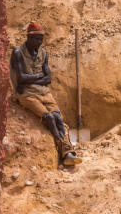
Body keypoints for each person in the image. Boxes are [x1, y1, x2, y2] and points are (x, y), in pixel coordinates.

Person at [9, 21, 79, 168]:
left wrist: (31, 78)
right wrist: (40, 76)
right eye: (37, 39)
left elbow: (49, 78)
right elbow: (21, 78)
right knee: (49, 117)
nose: (40, 42)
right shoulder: (17, 52)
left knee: (58, 117)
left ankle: (68, 153)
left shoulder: (43, 53)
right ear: (29, 38)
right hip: (26, 94)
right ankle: (64, 151)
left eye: (41, 39)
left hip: (43, 92)